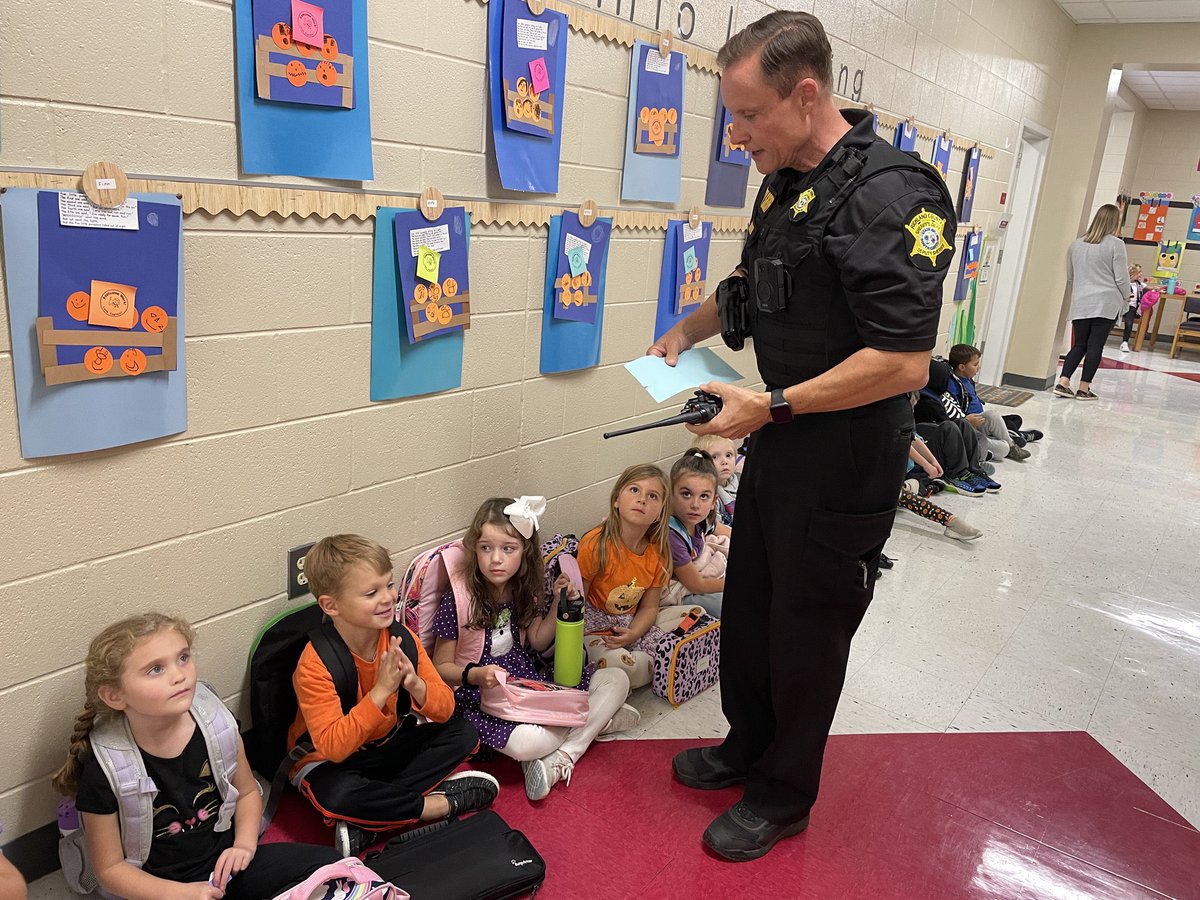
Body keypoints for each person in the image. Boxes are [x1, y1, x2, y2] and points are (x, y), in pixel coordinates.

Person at [648, 11, 957, 861]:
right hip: (780, 432)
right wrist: (686, 329)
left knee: (807, 631)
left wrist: (770, 405)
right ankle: (747, 746)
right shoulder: (787, 176)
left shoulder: (895, 194)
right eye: (733, 115)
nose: (737, 134)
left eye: (750, 114)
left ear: (807, 93)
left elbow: (902, 362)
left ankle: (785, 793)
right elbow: (756, 278)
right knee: (753, 606)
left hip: (845, 455)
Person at [53, 613, 341, 900]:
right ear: (115, 696)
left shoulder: (217, 725)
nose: (179, 675)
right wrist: (181, 894)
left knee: (332, 866)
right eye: (155, 669)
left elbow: (246, 793)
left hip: (226, 867)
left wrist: (243, 846)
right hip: (158, 890)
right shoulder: (105, 767)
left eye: (183, 658)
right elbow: (110, 870)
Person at [288, 535, 498, 856]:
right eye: (371, 593)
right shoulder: (314, 663)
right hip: (331, 761)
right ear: (331, 606)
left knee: (464, 734)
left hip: (384, 745)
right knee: (337, 795)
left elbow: (445, 709)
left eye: (388, 585)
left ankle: (371, 821)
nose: (388, 598)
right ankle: (436, 806)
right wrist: (381, 692)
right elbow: (333, 747)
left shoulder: (401, 638)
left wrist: (415, 684)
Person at [431, 497, 639, 802]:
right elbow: (440, 667)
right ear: (474, 550)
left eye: (508, 549)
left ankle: (562, 757)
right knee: (528, 743)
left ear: (524, 551)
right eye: (486, 548)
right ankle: (594, 724)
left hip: (529, 684)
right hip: (481, 697)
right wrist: (475, 675)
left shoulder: (521, 589)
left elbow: (539, 641)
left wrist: (558, 601)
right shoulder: (459, 598)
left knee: (616, 678)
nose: (496, 559)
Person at [577, 464, 702, 689]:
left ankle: (653, 661)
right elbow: (578, 604)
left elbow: (649, 607)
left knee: (697, 614)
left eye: (652, 496)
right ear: (617, 500)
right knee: (620, 665)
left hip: (631, 623)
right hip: (596, 630)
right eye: (634, 490)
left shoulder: (657, 553)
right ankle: (659, 662)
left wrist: (633, 633)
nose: (642, 499)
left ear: (660, 513)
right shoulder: (596, 544)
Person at [1056, 203, 1128, 400]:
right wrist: (1126, 296)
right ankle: (1083, 389)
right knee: (1095, 346)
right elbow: (1121, 278)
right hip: (1106, 302)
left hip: (1081, 301)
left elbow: (1071, 277)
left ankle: (1063, 382)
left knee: (1079, 344)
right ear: (1114, 222)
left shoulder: (1076, 244)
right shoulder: (1116, 244)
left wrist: (1081, 293)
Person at [665, 450, 732, 617]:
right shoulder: (671, 535)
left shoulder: (701, 518)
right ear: (670, 494)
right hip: (678, 591)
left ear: (713, 501)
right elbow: (696, 585)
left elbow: (731, 533)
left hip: (693, 579)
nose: (695, 504)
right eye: (686, 494)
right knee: (730, 606)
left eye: (704, 496)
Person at [947, 344, 1030, 462]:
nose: (978, 368)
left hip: (980, 422)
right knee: (1003, 449)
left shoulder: (968, 380)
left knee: (995, 415)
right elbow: (954, 414)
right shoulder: (952, 385)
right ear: (962, 367)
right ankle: (1007, 440)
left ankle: (1012, 445)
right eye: (975, 365)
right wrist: (967, 421)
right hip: (968, 428)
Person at [692, 434, 741, 524]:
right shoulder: (706, 495)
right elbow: (715, 527)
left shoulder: (740, 481)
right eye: (714, 457)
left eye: (728, 455)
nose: (724, 462)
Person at [1120, 263, 1145, 353]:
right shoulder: (1124, 283)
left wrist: (1157, 289)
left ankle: (1125, 342)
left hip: (1131, 308)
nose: (1140, 274)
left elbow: (1148, 287)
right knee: (1111, 321)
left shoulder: (1139, 284)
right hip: (1121, 306)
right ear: (1132, 273)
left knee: (1129, 323)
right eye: (1139, 272)